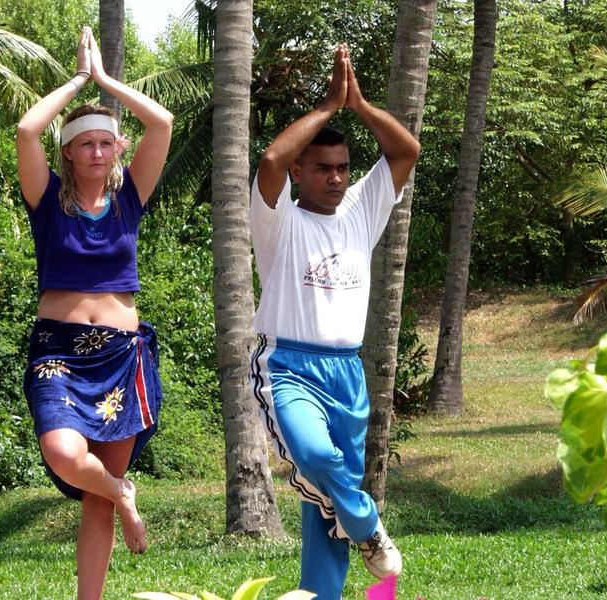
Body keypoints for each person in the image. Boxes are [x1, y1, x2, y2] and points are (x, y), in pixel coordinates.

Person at [249, 44, 420, 600]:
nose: (337, 178)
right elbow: (270, 162)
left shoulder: (361, 213)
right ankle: (370, 528)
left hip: (347, 371)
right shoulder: (277, 220)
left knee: (323, 501)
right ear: (302, 171)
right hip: (289, 365)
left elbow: (406, 150)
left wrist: (361, 105)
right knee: (318, 461)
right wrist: (327, 107)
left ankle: (320, 593)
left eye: (344, 167)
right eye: (322, 168)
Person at [16, 26, 173, 600]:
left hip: (119, 355)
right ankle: (123, 492)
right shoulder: (45, 200)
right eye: (86, 144)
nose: (98, 152)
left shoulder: (129, 198)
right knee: (63, 452)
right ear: (68, 152)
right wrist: (80, 80)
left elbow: (162, 123)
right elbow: (26, 129)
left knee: (96, 500)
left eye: (107, 142)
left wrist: (108, 83)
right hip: (58, 352)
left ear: (118, 149)